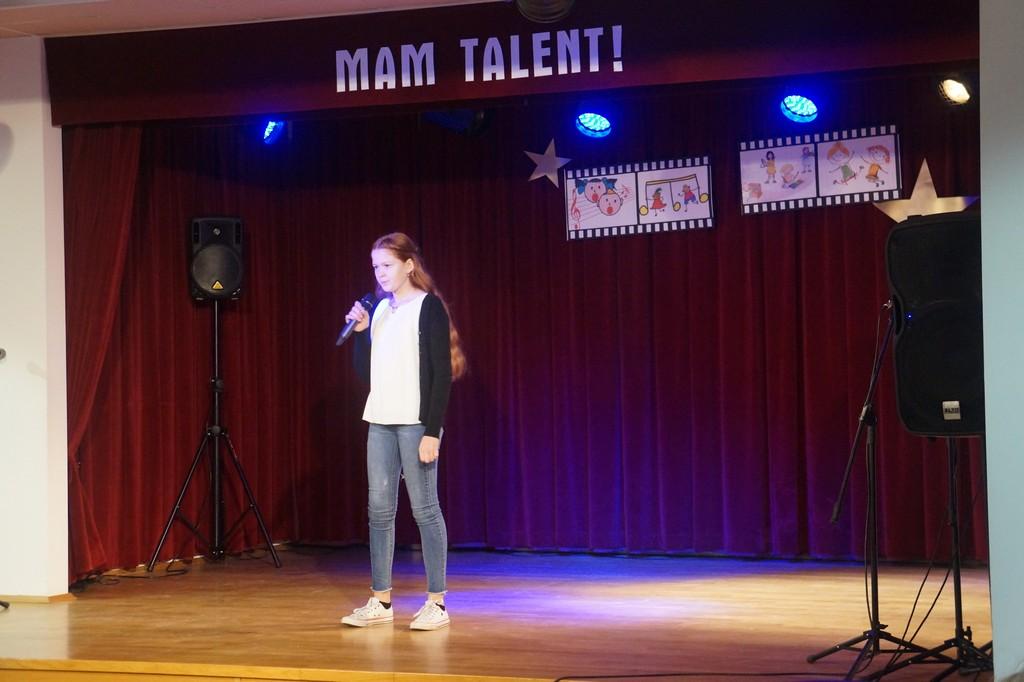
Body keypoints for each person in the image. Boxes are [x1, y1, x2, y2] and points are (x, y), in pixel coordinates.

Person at [340, 232, 466, 631]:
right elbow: (368, 372)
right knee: (379, 510)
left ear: (409, 265)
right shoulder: (379, 310)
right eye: (375, 267)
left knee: (425, 509)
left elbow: (441, 374)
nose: (380, 273)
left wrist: (432, 431)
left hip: (415, 422)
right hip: (380, 419)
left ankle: (437, 602)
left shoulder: (428, 307)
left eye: (387, 265)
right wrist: (360, 335)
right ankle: (381, 599)